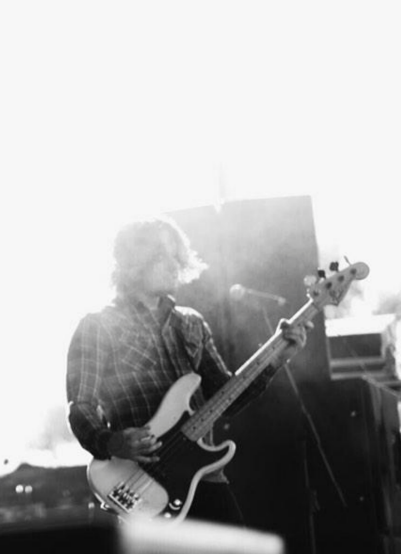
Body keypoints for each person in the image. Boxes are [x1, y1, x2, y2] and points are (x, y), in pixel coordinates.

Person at [66, 216, 309, 526]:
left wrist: (276, 360)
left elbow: (226, 400)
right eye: (162, 256)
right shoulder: (98, 326)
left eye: (176, 256)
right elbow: (81, 406)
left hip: (202, 476)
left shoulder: (191, 323)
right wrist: (112, 442)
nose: (174, 265)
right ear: (133, 263)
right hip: (139, 483)